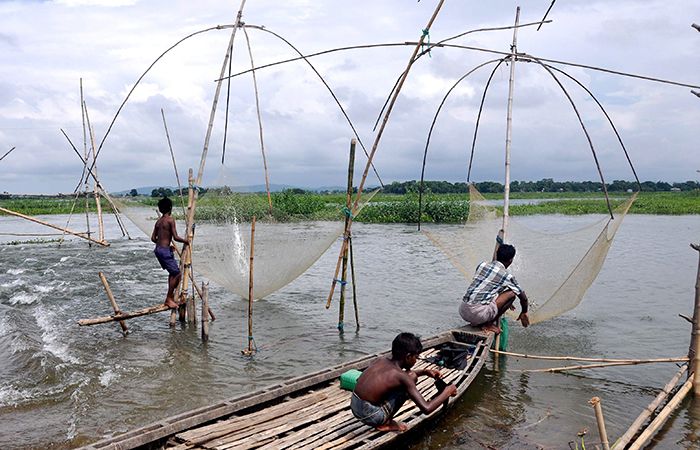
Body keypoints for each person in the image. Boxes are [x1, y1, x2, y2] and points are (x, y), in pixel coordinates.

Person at [350, 332, 457, 432]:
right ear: (408, 357)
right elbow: (426, 408)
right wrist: (448, 390)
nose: (416, 360)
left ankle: (383, 417)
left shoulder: (381, 360)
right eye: (416, 357)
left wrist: (425, 372)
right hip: (371, 416)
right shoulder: (402, 377)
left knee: (411, 375)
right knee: (411, 380)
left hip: (355, 405)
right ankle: (385, 423)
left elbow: (391, 376)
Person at [459, 243, 530, 333]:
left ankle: (482, 320)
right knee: (512, 294)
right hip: (477, 314)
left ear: (497, 254)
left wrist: (503, 300)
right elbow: (523, 298)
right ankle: (488, 324)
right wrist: (524, 312)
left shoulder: (482, 265)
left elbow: (487, 285)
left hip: (463, 310)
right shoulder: (507, 276)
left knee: (499, 294)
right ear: (511, 260)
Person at [151, 197, 189, 309]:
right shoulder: (170, 220)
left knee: (172, 273)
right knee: (177, 274)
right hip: (164, 251)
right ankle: (168, 298)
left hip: (159, 250)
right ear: (170, 208)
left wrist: (165, 245)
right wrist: (186, 241)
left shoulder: (158, 222)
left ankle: (170, 297)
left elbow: (153, 238)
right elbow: (176, 237)